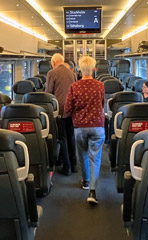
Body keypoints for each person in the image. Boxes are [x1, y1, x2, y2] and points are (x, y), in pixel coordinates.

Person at [64, 56, 105, 205]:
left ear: (80, 69)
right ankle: (93, 191)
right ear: (93, 69)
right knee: (96, 158)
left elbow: (68, 108)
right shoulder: (100, 85)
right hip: (98, 125)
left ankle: (86, 181)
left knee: (83, 155)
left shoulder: (74, 86)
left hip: (80, 126)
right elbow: (101, 103)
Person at [45, 53, 77, 176]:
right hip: (71, 109)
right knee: (71, 137)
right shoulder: (72, 74)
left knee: (62, 138)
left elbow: (48, 94)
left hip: (59, 110)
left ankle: (67, 168)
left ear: (53, 63)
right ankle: (74, 165)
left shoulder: (52, 73)